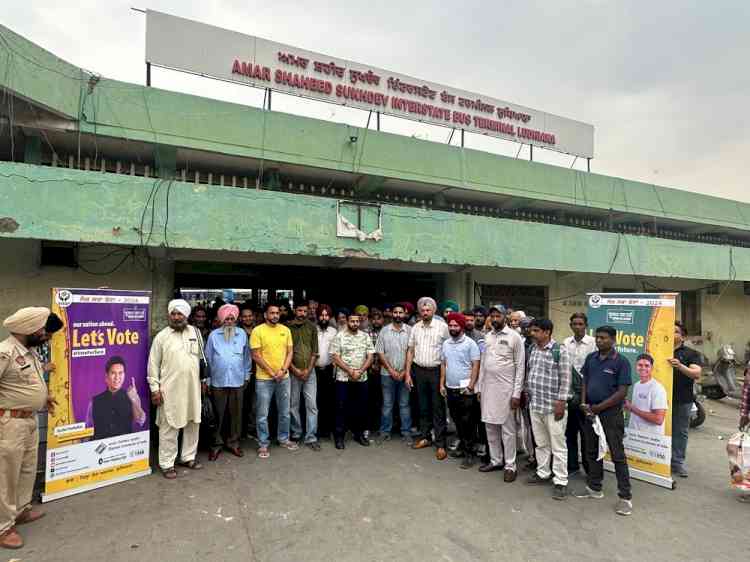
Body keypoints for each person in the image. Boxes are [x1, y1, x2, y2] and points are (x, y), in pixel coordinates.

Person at [0, 307, 55, 549]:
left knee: (27, 469)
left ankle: (20, 510)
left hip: (30, 421)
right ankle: (3, 527)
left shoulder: (29, 353)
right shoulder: (5, 352)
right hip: (9, 423)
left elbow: (27, 382)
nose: (44, 333)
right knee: (6, 476)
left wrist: (44, 398)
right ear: (28, 329)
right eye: (42, 328)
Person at [577, 325, 633, 516]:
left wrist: (599, 408)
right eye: (598, 338)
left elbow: (622, 392)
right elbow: (585, 381)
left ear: (613, 340)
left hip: (610, 415)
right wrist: (584, 403)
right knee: (592, 451)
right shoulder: (591, 358)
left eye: (604, 338)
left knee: (617, 455)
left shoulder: (621, 362)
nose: (600, 341)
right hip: (590, 413)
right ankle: (595, 488)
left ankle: (625, 498)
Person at [147, 300, 205, 479]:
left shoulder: (195, 332)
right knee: (169, 426)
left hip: (193, 389)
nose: (176, 317)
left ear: (186, 316)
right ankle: (167, 463)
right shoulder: (162, 337)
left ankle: (188, 457)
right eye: (173, 313)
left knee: (192, 422)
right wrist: (154, 389)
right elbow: (152, 364)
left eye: (180, 314)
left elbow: (202, 359)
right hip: (169, 390)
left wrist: (204, 381)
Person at [476, 306, 526, 481]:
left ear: (505, 317)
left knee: (508, 430)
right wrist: (479, 387)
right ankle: (496, 460)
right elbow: (483, 364)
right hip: (488, 389)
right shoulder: (487, 336)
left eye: (498, 315)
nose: (495, 318)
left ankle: (510, 465)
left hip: (507, 391)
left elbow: (520, 367)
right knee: (490, 426)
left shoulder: (514, 337)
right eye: (493, 316)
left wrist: (516, 394)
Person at [525, 318, 571, 500]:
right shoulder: (533, 349)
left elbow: (566, 379)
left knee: (558, 446)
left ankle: (560, 481)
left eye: (536, 331)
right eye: (532, 330)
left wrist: (561, 402)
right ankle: (543, 472)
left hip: (554, 407)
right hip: (535, 405)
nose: (532, 334)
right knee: (541, 443)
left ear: (547, 332)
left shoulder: (560, 351)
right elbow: (531, 373)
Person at [405, 297, 450, 460]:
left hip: (436, 371)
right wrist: (408, 373)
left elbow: (447, 353)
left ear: (434, 311)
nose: (425, 312)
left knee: (438, 407)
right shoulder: (415, 327)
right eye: (422, 310)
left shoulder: (443, 327)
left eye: (428, 310)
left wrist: (444, 378)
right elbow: (410, 351)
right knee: (422, 406)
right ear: (419, 312)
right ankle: (425, 437)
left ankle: (440, 444)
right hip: (419, 371)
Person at [250, 303, 297, 459]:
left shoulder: (286, 330)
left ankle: (283, 438)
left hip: (283, 378)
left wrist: (283, 370)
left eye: (277, 313)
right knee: (262, 413)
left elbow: (290, 352)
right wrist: (271, 372)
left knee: (285, 411)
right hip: (264, 379)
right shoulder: (258, 331)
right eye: (272, 313)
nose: (275, 315)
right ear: (265, 315)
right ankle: (263, 444)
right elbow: (256, 355)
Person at [205, 304, 251, 460]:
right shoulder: (213, 336)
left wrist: (246, 376)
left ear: (236, 320)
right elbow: (208, 359)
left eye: (232, 319)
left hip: (238, 380)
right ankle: (216, 445)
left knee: (236, 414)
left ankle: (233, 443)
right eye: (226, 319)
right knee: (218, 415)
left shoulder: (242, 334)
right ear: (221, 320)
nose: (229, 322)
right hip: (218, 381)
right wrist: (208, 380)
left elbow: (246, 358)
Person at [439, 313, 481, 469]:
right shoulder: (446, 344)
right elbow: (443, 364)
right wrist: (442, 384)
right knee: (457, 421)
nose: (453, 328)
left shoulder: (470, 344)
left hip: (466, 391)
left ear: (462, 327)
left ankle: (470, 454)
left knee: (468, 422)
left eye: (456, 325)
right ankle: (464, 449)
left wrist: (471, 386)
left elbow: (475, 365)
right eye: (450, 325)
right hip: (450, 389)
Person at [330, 311, 375, 449]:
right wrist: (350, 371)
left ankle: (359, 434)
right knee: (341, 407)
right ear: (347, 322)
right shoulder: (340, 336)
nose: (355, 323)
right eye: (352, 321)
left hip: (361, 378)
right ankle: (339, 436)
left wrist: (360, 371)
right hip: (343, 378)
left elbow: (370, 356)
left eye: (357, 321)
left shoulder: (365, 336)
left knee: (360, 407)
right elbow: (335, 357)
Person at [563, 312, 596, 476]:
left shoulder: (593, 343)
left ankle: (589, 468)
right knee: (569, 431)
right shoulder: (565, 343)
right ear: (571, 325)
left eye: (580, 324)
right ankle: (572, 465)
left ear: (586, 325)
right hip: (569, 393)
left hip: (586, 392)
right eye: (574, 324)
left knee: (586, 433)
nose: (577, 327)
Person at [375, 304, 413, 444]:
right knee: (387, 404)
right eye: (395, 312)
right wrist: (391, 370)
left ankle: (406, 432)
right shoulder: (384, 331)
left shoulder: (410, 331)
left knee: (404, 404)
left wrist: (404, 371)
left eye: (400, 312)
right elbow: (380, 352)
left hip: (405, 374)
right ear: (392, 314)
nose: (397, 315)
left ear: (405, 314)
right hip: (387, 374)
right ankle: (385, 431)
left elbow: (412, 352)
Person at [670, 321, 702, 478]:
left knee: (680, 431)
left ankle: (677, 463)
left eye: (676, 331)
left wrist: (680, 366)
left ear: (683, 336)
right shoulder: (659, 349)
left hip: (682, 399)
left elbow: (696, 374)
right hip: (660, 398)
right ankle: (657, 460)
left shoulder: (691, 353)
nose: (672, 333)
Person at [86, 356, 146, 440]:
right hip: (101, 449)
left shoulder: (132, 396)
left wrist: (133, 399)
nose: (117, 377)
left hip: (123, 447)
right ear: (106, 376)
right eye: (113, 373)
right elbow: (88, 430)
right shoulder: (94, 401)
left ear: (124, 375)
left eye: (120, 373)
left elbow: (140, 420)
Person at [287, 303, 320, 450]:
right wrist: (295, 370)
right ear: (295, 311)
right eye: (300, 310)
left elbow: (315, 351)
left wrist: (308, 370)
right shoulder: (287, 327)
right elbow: (285, 353)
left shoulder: (312, 327)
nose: (302, 313)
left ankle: (311, 437)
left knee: (311, 405)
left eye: (305, 311)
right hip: (293, 372)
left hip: (310, 373)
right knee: (293, 405)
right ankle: (296, 433)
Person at [626, 354, 668, 435]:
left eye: (647, 365)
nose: (643, 368)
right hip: (635, 435)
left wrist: (632, 408)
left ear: (652, 368)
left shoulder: (657, 388)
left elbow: (658, 419)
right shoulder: (637, 385)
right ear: (636, 367)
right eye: (640, 365)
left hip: (650, 439)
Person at [316, 305, 337, 439]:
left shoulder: (333, 331)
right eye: (322, 315)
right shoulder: (313, 329)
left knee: (328, 400)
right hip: (314, 370)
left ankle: (327, 430)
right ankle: (315, 429)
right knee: (315, 401)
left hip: (329, 370)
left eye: (326, 315)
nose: (324, 318)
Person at [239, 305, 257, 438]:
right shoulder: (237, 332)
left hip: (259, 371)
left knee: (256, 403)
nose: (248, 318)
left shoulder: (259, 330)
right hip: (242, 372)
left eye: (250, 315)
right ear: (240, 318)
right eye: (245, 316)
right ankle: (242, 430)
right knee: (243, 402)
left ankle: (252, 428)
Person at [367, 309, 385, 434]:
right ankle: (371, 425)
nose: (376, 321)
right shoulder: (366, 333)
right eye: (374, 318)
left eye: (378, 318)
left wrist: (381, 365)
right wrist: (371, 366)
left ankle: (381, 426)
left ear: (382, 320)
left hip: (384, 370)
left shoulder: (386, 332)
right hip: (370, 371)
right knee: (370, 399)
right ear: (370, 320)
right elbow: (366, 351)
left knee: (383, 400)